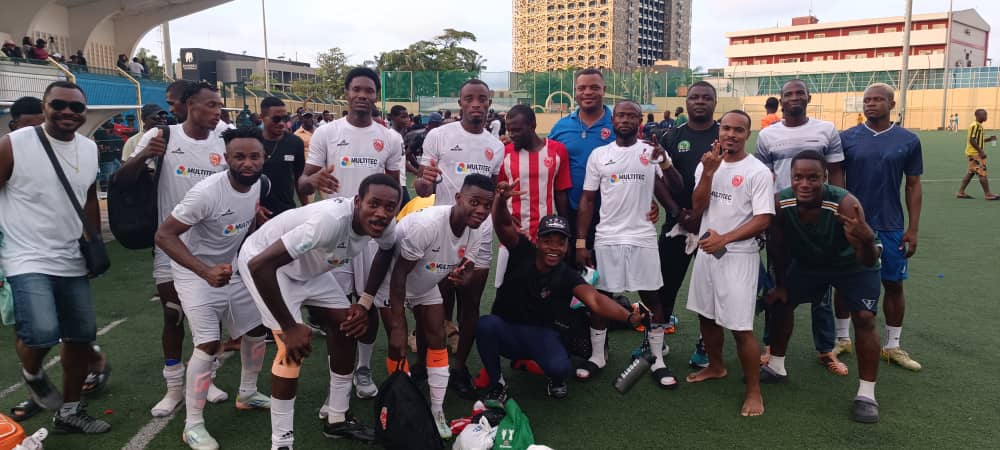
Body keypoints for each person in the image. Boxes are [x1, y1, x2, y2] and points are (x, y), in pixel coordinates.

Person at [240, 174, 401, 448]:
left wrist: (364, 302)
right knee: (290, 351)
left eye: (389, 207)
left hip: (308, 269)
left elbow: (387, 250)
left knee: (347, 325)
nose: (381, 213)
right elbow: (260, 265)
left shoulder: (386, 225)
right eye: (373, 204)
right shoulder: (330, 221)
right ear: (358, 201)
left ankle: (337, 418)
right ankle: (282, 442)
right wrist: (290, 327)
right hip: (267, 266)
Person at [0, 81, 111, 433]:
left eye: (76, 107)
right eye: (58, 104)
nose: (67, 112)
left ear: (84, 112)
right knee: (42, 331)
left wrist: (94, 241)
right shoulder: (13, 144)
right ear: (45, 106)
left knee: (79, 337)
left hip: (72, 256)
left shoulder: (89, 149)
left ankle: (70, 412)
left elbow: (89, 196)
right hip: (25, 254)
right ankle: (32, 373)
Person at [118, 81, 231, 417]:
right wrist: (143, 157)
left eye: (219, 106)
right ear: (189, 104)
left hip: (213, 247)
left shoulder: (224, 139)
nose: (217, 112)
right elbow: (122, 180)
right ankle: (173, 388)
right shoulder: (163, 136)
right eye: (210, 105)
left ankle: (208, 380)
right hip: (171, 244)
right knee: (173, 314)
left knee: (209, 317)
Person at [155, 127, 271, 448]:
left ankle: (247, 393)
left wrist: (256, 221)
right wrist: (204, 271)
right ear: (225, 158)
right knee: (207, 344)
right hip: (194, 272)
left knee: (256, 329)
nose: (247, 163)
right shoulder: (206, 193)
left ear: (264, 158)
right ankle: (193, 425)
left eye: (254, 156)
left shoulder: (258, 183)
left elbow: (242, 218)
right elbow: (164, 235)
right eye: (239, 157)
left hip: (229, 268)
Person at [480, 186, 647, 402]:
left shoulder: (566, 274)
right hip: (508, 329)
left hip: (541, 335)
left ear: (567, 246)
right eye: (548, 241)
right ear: (538, 241)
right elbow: (503, 224)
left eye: (560, 243)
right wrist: (501, 200)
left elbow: (595, 300)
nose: (554, 248)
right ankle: (497, 383)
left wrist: (629, 317)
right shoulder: (522, 250)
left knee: (560, 368)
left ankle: (554, 377)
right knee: (485, 326)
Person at [299, 67, 403, 402]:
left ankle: (363, 368)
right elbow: (303, 182)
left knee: (367, 302)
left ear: (376, 96)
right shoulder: (326, 133)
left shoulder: (390, 138)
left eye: (368, 90)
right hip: (336, 232)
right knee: (337, 308)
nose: (362, 95)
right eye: (356, 89)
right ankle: (339, 380)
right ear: (346, 93)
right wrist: (312, 181)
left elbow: (397, 189)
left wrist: (386, 223)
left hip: (373, 235)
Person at [764, 151, 884, 423]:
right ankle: (776, 367)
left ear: (825, 178)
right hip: (811, 263)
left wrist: (866, 239)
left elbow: (867, 260)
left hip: (852, 264)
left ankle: (867, 394)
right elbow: (778, 247)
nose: (804, 184)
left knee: (865, 317)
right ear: (790, 177)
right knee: (781, 301)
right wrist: (781, 284)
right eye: (798, 177)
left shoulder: (845, 204)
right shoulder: (781, 203)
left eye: (813, 178)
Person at [372, 174, 494, 439]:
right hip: (392, 283)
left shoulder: (479, 228)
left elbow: (468, 266)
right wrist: (398, 325)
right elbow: (399, 275)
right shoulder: (426, 225)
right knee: (397, 344)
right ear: (458, 198)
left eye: (487, 205)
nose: (481, 210)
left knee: (438, 338)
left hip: (425, 283)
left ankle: (437, 411)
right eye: (474, 202)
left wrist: (463, 275)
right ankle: (401, 411)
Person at [576, 100, 680, 388]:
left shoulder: (651, 151)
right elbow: (587, 200)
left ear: (639, 121)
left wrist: (664, 161)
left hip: (642, 236)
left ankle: (657, 359)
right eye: (620, 115)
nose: (625, 120)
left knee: (652, 297)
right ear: (613, 120)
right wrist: (581, 242)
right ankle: (598, 356)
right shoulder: (599, 155)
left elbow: (676, 186)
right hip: (608, 236)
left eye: (631, 116)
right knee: (602, 297)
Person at [415, 79, 504, 400]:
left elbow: (491, 192)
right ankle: (425, 363)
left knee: (471, 303)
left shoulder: (496, 146)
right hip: (444, 233)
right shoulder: (438, 136)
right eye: (470, 98)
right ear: (460, 102)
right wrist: (424, 181)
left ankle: (459, 367)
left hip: (480, 235)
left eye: (482, 98)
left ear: (489, 102)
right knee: (435, 302)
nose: (476, 104)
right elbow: (422, 188)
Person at [685, 109, 773, 418]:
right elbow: (697, 207)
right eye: (726, 128)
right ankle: (716, 366)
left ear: (748, 134)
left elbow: (763, 219)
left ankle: (754, 391)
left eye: (738, 130)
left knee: (740, 327)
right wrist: (709, 173)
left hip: (738, 257)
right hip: (707, 253)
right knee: (706, 316)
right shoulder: (708, 164)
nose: (731, 135)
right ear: (719, 131)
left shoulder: (757, 171)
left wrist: (726, 238)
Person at [755, 79, 845, 374]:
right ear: (781, 100)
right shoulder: (767, 135)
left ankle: (826, 349)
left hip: (819, 221)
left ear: (809, 97)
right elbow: (762, 178)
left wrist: (838, 210)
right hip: (782, 220)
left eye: (799, 93)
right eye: (788, 94)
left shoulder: (826, 130)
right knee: (776, 285)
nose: (794, 97)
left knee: (823, 289)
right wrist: (764, 215)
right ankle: (771, 346)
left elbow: (836, 172)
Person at [841, 83, 924, 372]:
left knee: (893, 283)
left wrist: (913, 228)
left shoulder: (908, 140)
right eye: (867, 100)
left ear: (891, 104)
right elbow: (836, 180)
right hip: (853, 224)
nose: (870, 104)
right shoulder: (847, 138)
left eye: (877, 100)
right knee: (845, 281)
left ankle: (892, 345)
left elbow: (913, 185)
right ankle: (841, 339)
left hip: (890, 225)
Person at [656, 81, 720, 369]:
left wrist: (701, 215)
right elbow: (659, 180)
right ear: (687, 102)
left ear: (714, 103)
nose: (700, 102)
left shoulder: (724, 135)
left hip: (714, 228)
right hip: (678, 224)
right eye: (695, 97)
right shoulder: (672, 136)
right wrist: (676, 212)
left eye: (706, 97)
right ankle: (655, 340)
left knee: (712, 286)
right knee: (664, 284)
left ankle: (706, 345)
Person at [257, 97, 308, 217]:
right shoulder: (251, 140)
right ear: (262, 117)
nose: (281, 123)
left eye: (285, 118)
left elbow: (299, 178)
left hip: (285, 212)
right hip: (255, 213)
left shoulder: (295, 142)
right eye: (276, 119)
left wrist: (306, 208)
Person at [955, 109, 998, 201]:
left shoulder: (978, 126)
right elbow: (972, 140)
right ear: (977, 116)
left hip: (973, 153)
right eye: (984, 115)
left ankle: (960, 192)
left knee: (971, 173)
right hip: (976, 154)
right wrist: (981, 151)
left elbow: (977, 140)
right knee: (982, 173)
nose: (986, 116)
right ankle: (988, 194)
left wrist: (989, 139)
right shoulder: (975, 126)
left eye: (986, 115)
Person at [388, 104, 413, 206]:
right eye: (403, 117)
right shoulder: (392, 136)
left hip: (401, 181)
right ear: (392, 118)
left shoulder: (398, 136)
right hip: (397, 182)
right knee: (406, 210)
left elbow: (402, 159)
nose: (407, 120)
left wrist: (417, 171)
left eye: (407, 117)